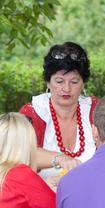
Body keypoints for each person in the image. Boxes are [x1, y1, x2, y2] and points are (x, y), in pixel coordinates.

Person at [19, 41, 97, 179]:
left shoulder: (96, 110)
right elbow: (20, 154)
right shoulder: (33, 112)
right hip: (42, 197)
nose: (66, 89)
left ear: (83, 83)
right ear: (48, 82)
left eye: (74, 82)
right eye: (59, 81)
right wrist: (58, 158)